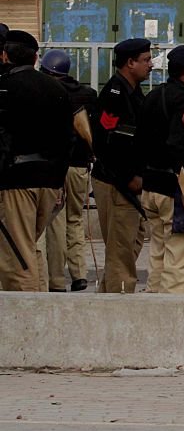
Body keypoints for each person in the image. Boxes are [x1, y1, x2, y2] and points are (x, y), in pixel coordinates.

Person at [0, 31, 74, 291]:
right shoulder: (56, 88)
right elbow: (68, 138)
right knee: (29, 248)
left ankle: (25, 320)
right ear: (35, 58)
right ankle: (40, 300)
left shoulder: (6, 87)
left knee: (16, 258)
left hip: (16, 181)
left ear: (5, 55)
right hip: (50, 179)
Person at [138, 45, 184, 294]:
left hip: (151, 187)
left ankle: (153, 310)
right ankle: (171, 319)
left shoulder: (153, 96)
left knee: (158, 256)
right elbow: (178, 147)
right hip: (176, 190)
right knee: (181, 262)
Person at [91, 38, 151, 293]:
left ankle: (108, 295)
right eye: (146, 60)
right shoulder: (115, 94)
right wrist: (129, 177)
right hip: (116, 182)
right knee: (120, 249)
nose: (150, 65)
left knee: (128, 243)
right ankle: (119, 302)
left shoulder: (133, 91)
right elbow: (109, 143)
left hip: (128, 181)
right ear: (130, 63)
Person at [39, 49, 97, 292]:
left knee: (55, 223)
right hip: (80, 167)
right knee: (75, 220)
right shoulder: (88, 94)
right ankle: (79, 273)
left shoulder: (47, 92)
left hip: (56, 165)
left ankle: (56, 280)